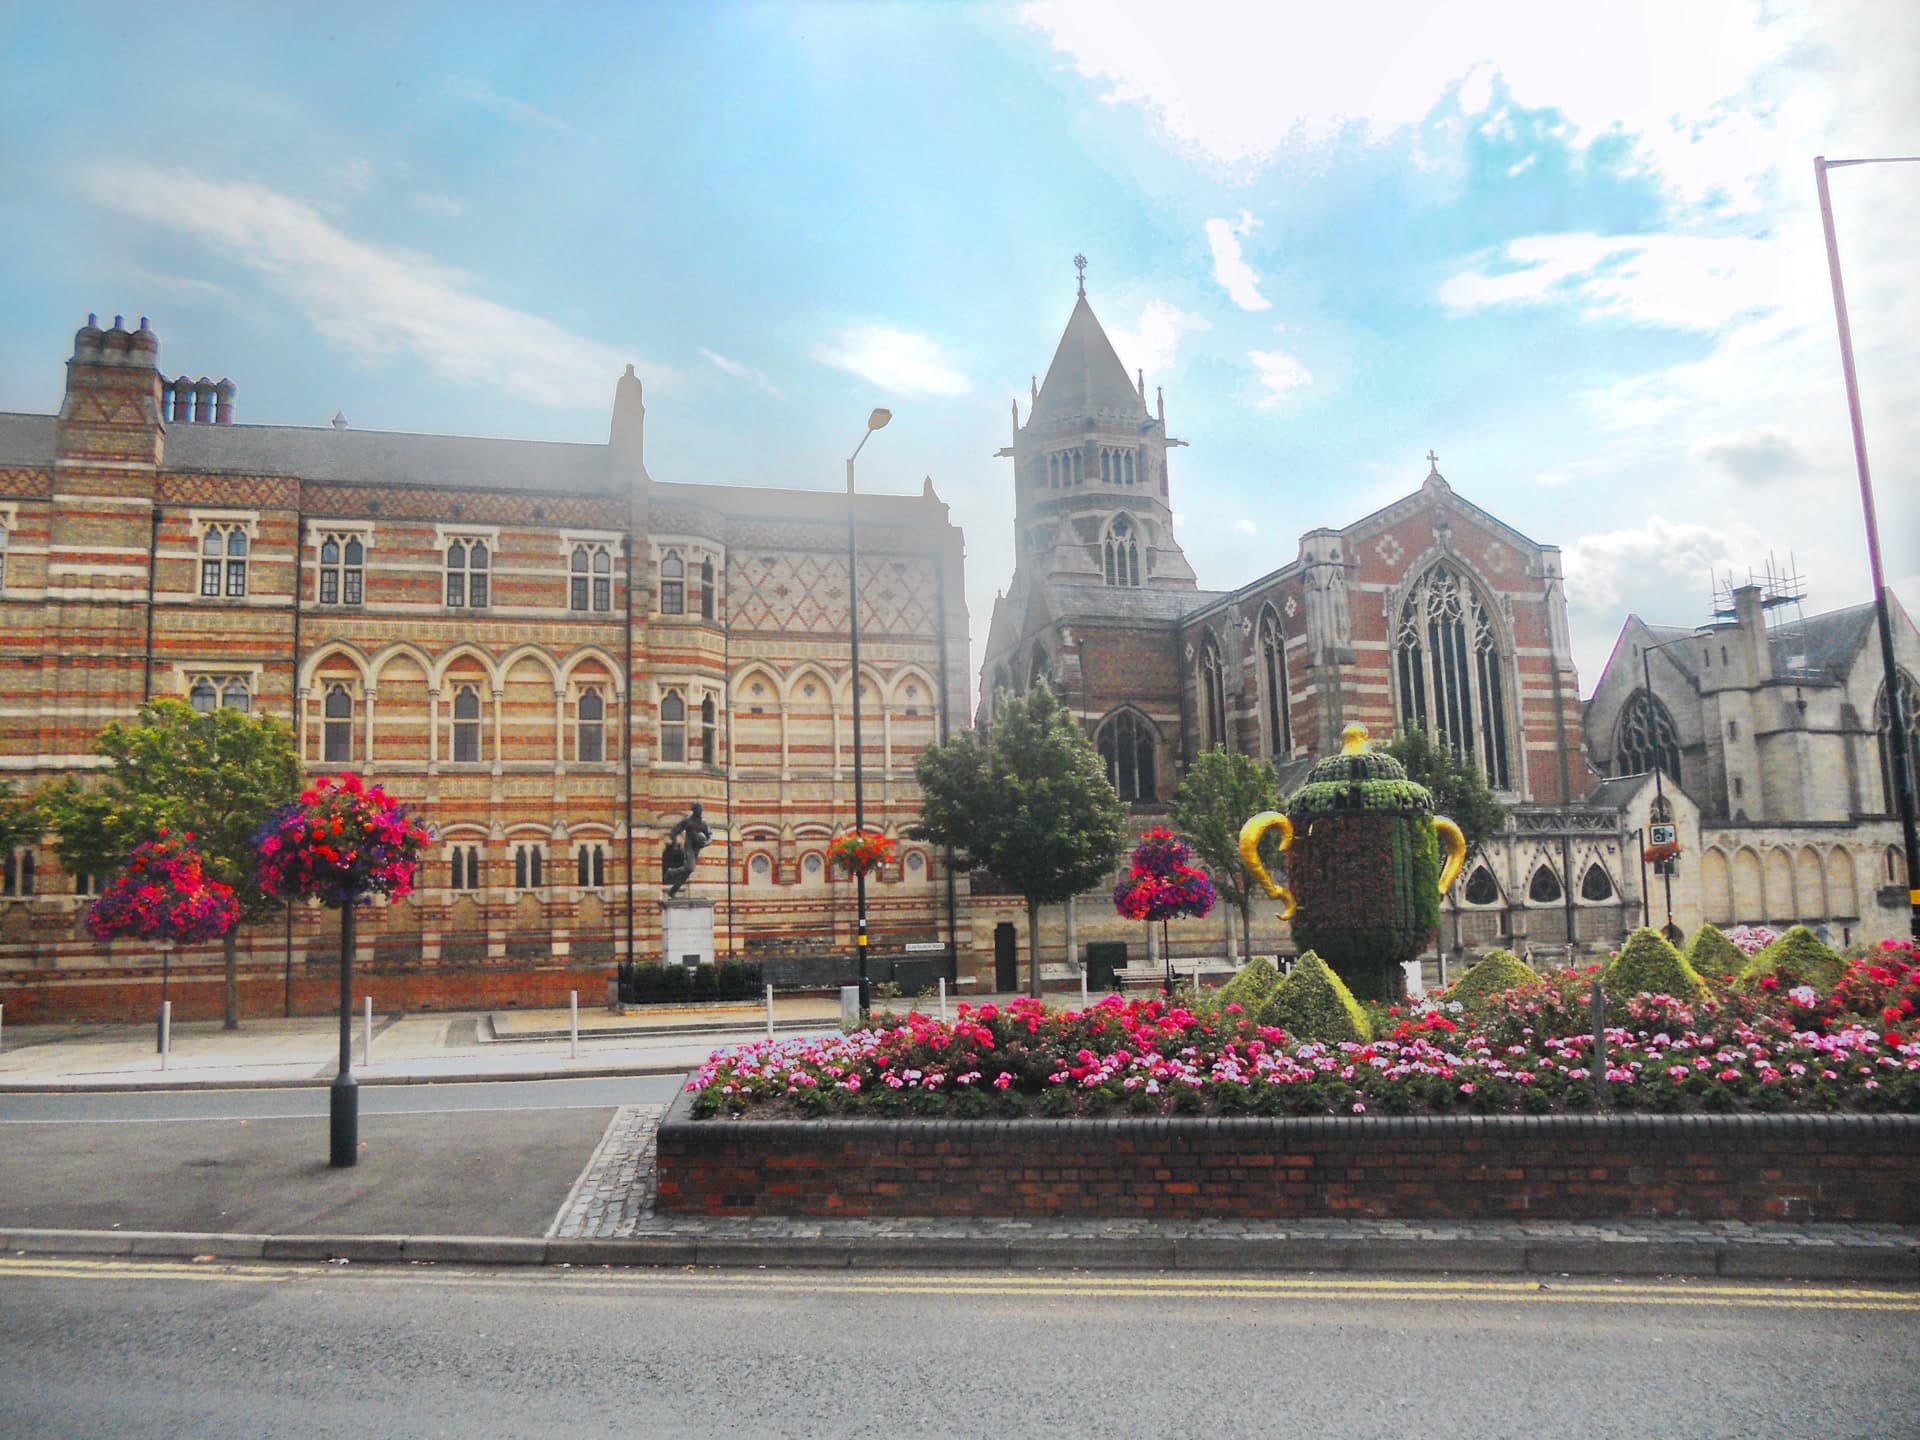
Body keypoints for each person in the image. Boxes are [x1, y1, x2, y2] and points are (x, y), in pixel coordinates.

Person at [662, 803, 712, 898]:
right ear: (695, 810)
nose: (701, 812)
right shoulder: (688, 821)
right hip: (688, 848)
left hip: (696, 849)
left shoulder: (703, 823)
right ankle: (671, 872)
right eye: (699, 810)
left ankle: (672, 892)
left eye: (702, 810)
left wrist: (707, 843)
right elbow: (674, 831)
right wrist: (674, 843)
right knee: (689, 868)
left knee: (686, 873)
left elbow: (710, 835)